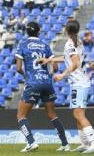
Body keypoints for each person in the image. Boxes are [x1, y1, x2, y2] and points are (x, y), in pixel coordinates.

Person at [39, 20, 94, 153]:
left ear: (66, 30)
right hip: (80, 82)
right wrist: (50, 60)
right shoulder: (77, 41)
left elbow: (74, 62)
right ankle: (85, 144)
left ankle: (93, 143)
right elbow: (67, 58)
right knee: (77, 114)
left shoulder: (70, 43)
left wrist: (62, 75)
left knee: (79, 114)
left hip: (79, 82)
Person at [15, 22, 69, 152]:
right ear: (38, 31)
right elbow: (55, 66)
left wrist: (25, 76)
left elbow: (18, 68)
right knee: (52, 114)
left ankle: (31, 142)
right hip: (46, 82)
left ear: (27, 32)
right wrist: (50, 73)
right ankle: (65, 144)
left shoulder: (22, 45)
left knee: (21, 116)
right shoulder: (45, 45)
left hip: (33, 82)